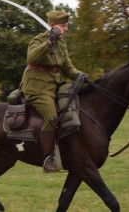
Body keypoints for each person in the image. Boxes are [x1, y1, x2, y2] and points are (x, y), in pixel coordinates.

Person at [19, 10, 87, 172]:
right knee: (51, 116)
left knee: (72, 110)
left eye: (66, 25)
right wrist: (50, 41)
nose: (67, 29)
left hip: (53, 86)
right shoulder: (39, 40)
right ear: (52, 25)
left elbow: (67, 68)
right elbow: (32, 58)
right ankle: (48, 158)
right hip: (36, 88)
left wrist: (80, 75)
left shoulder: (62, 44)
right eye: (63, 25)